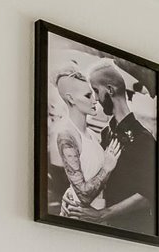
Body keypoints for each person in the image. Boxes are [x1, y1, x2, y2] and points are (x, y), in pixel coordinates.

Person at [85, 58, 157, 227]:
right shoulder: (106, 133)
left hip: (137, 228)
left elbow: (149, 195)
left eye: (96, 90)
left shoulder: (143, 137)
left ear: (110, 89)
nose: (95, 98)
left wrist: (104, 214)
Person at [48, 64, 113, 218]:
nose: (95, 99)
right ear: (71, 99)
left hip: (97, 214)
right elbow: (83, 195)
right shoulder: (66, 135)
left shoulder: (92, 134)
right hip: (79, 216)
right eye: (87, 96)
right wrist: (107, 168)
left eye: (93, 94)